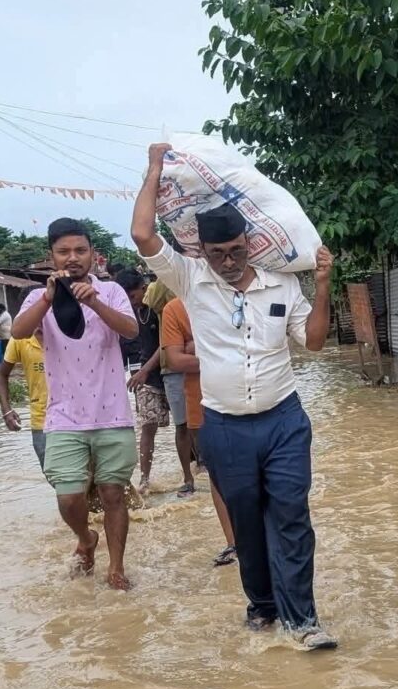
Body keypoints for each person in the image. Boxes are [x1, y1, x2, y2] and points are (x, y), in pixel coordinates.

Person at [134, 142, 337, 649]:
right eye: (217, 253)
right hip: (224, 427)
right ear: (201, 251)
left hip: (284, 420)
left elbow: (312, 342)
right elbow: (142, 233)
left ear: (250, 243)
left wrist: (324, 284)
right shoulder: (189, 278)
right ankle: (262, 606)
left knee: (291, 515)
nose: (227, 261)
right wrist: (156, 167)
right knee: (246, 523)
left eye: (236, 250)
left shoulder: (282, 287)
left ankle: (304, 621)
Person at [11, 217, 140, 591]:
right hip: (64, 417)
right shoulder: (39, 298)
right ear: (51, 256)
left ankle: (116, 568)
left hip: (112, 413)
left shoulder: (112, 290)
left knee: (114, 494)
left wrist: (95, 302)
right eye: (64, 251)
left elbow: (130, 330)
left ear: (92, 255)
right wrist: (51, 299)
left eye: (80, 250)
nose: (73, 258)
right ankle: (86, 539)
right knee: (68, 497)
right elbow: (18, 333)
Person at [161, 296, 237, 566]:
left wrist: (197, 348)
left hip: (247, 399)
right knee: (219, 476)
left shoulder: (234, 296)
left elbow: (253, 346)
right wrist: (222, 352)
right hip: (202, 403)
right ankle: (233, 542)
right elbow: (175, 360)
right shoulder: (175, 308)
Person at [112, 268, 169, 496]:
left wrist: (144, 370)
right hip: (144, 375)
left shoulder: (159, 307)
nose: (131, 302)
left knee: (186, 426)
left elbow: (166, 342)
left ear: (144, 290)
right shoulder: (126, 315)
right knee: (147, 426)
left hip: (169, 370)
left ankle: (195, 469)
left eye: (133, 297)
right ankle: (145, 480)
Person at [151, 281, 198, 497]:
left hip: (205, 369)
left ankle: (205, 466)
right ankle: (188, 478)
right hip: (173, 370)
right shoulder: (166, 298)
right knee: (182, 424)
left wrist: (194, 345)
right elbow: (151, 301)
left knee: (211, 422)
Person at [0, 329, 49, 467]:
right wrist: (6, 410)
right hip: (41, 420)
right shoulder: (21, 337)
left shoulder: (70, 331)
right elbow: (2, 375)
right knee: (54, 475)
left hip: (75, 420)